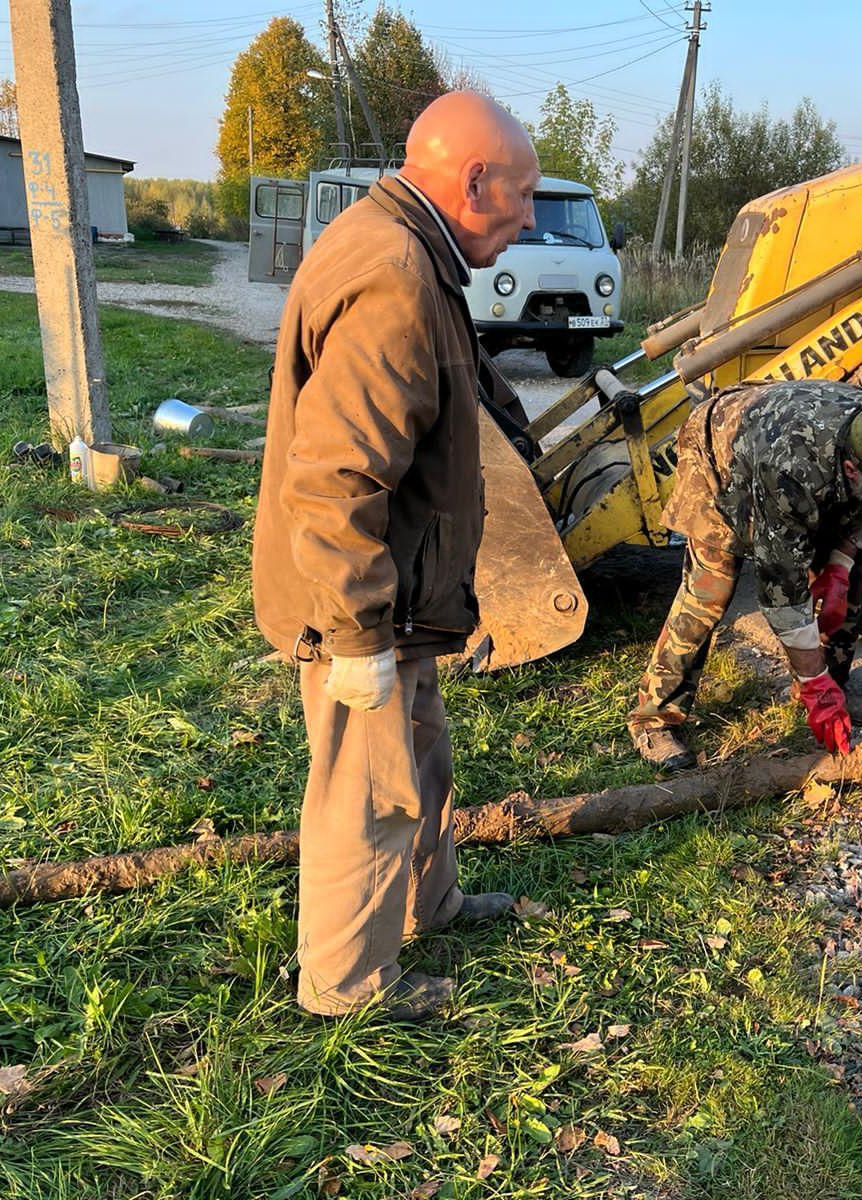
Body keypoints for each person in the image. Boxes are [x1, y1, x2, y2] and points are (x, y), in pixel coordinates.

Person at [250, 92, 541, 1021]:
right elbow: (335, 482)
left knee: (420, 757)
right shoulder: (396, 279)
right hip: (364, 601)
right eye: (525, 196)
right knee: (366, 789)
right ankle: (345, 985)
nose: (531, 218)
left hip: (401, 593)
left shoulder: (410, 250)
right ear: (474, 179)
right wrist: (358, 637)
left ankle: (431, 905)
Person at [628, 380, 862, 771]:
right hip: (720, 457)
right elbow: (782, 589)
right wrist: (813, 680)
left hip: (807, 456)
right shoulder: (789, 470)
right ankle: (655, 716)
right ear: (851, 470)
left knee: (852, 577)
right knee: (711, 587)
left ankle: (834, 688)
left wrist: (840, 565)